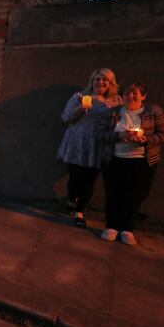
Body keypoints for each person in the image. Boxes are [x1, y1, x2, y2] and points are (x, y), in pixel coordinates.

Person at [100, 82, 164, 246]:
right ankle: (111, 226)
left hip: (141, 162)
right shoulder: (114, 112)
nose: (130, 96)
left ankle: (127, 229)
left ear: (143, 96)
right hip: (115, 159)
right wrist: (118, 136)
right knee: (113, 193)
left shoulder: (153, 111)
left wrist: (147, 139)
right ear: (121, 97)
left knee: (134, 195)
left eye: (134, 93)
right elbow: (101, 134)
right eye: (126, 94)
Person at [57, 68, 121, 227]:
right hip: (77, 142)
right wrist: (81, 108)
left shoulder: (116, 101)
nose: (100, 82)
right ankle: (71, 199)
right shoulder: (80, 97)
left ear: (111, 83)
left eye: (105, 80)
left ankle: (79, 212)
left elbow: (119, 122)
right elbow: (66, 117)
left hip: (98, 144)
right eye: (97, 79)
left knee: (89, 180)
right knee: (75, 178)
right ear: (92, 81)